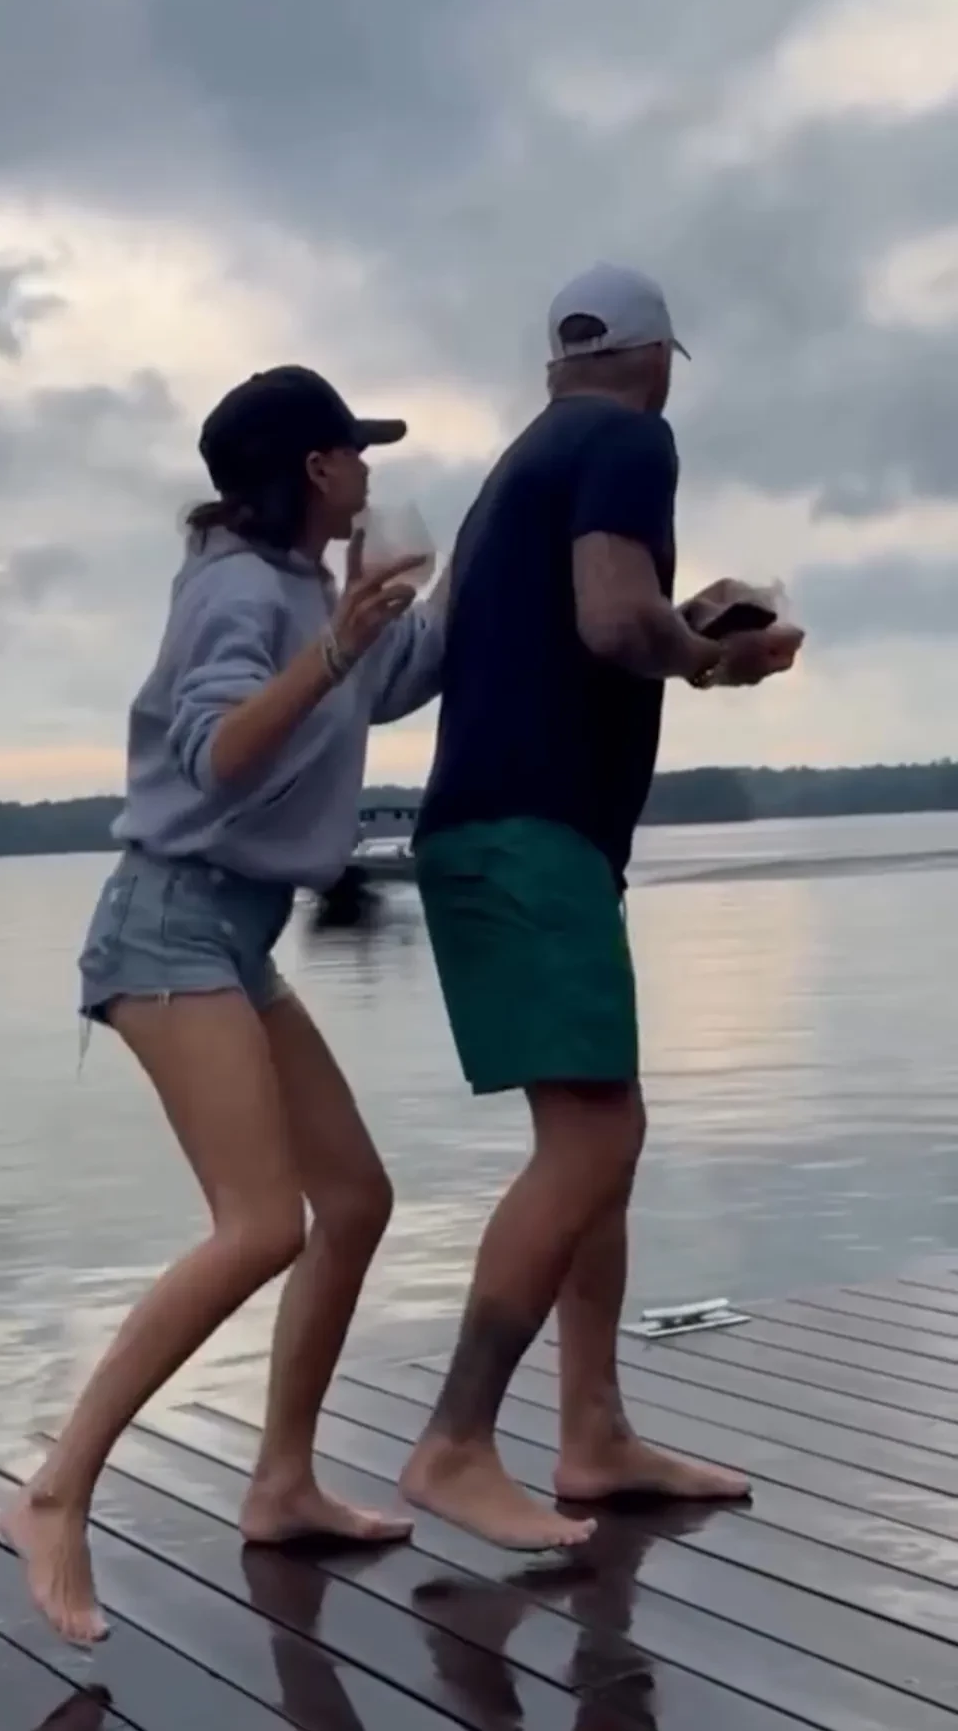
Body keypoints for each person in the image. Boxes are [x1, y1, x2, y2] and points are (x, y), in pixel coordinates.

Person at [3, 365, 447, 1642]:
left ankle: (282, 1482)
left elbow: (394, 674)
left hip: (233, 937)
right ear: (315, 468)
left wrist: (463, 577)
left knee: (353, 1199)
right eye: (355, 453)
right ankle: (54, 1491)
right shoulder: (236, 592)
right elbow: (216, 753)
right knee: (260, 1226)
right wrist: (337, 644)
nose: (368, 471)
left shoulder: (306, 588)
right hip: (168, 924)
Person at [400, 262, 804, 1549]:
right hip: (531, 838)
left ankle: (594, 1430)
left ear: (558, 361)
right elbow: (616, 621)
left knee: (596, 1138)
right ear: (657, 359)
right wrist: (715, 656)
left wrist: (676, 629)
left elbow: (571, 626)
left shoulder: (517, 468)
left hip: (504, 834)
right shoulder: (631, 441)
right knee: (596, 1140)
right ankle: (455, 1441)